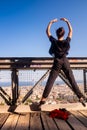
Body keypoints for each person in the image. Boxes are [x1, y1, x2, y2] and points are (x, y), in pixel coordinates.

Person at [39, 18, 86, 107]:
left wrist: (50, 22)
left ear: (56, 34)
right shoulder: (67, 41)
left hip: (57, 62)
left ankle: (43, 100)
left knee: (51, 81)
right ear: (63, 34)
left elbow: (47, 32)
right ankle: (80, 97)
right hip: (65, 61)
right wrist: (67, 21)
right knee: (72, 80)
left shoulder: (54, 41)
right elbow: (71, 31)